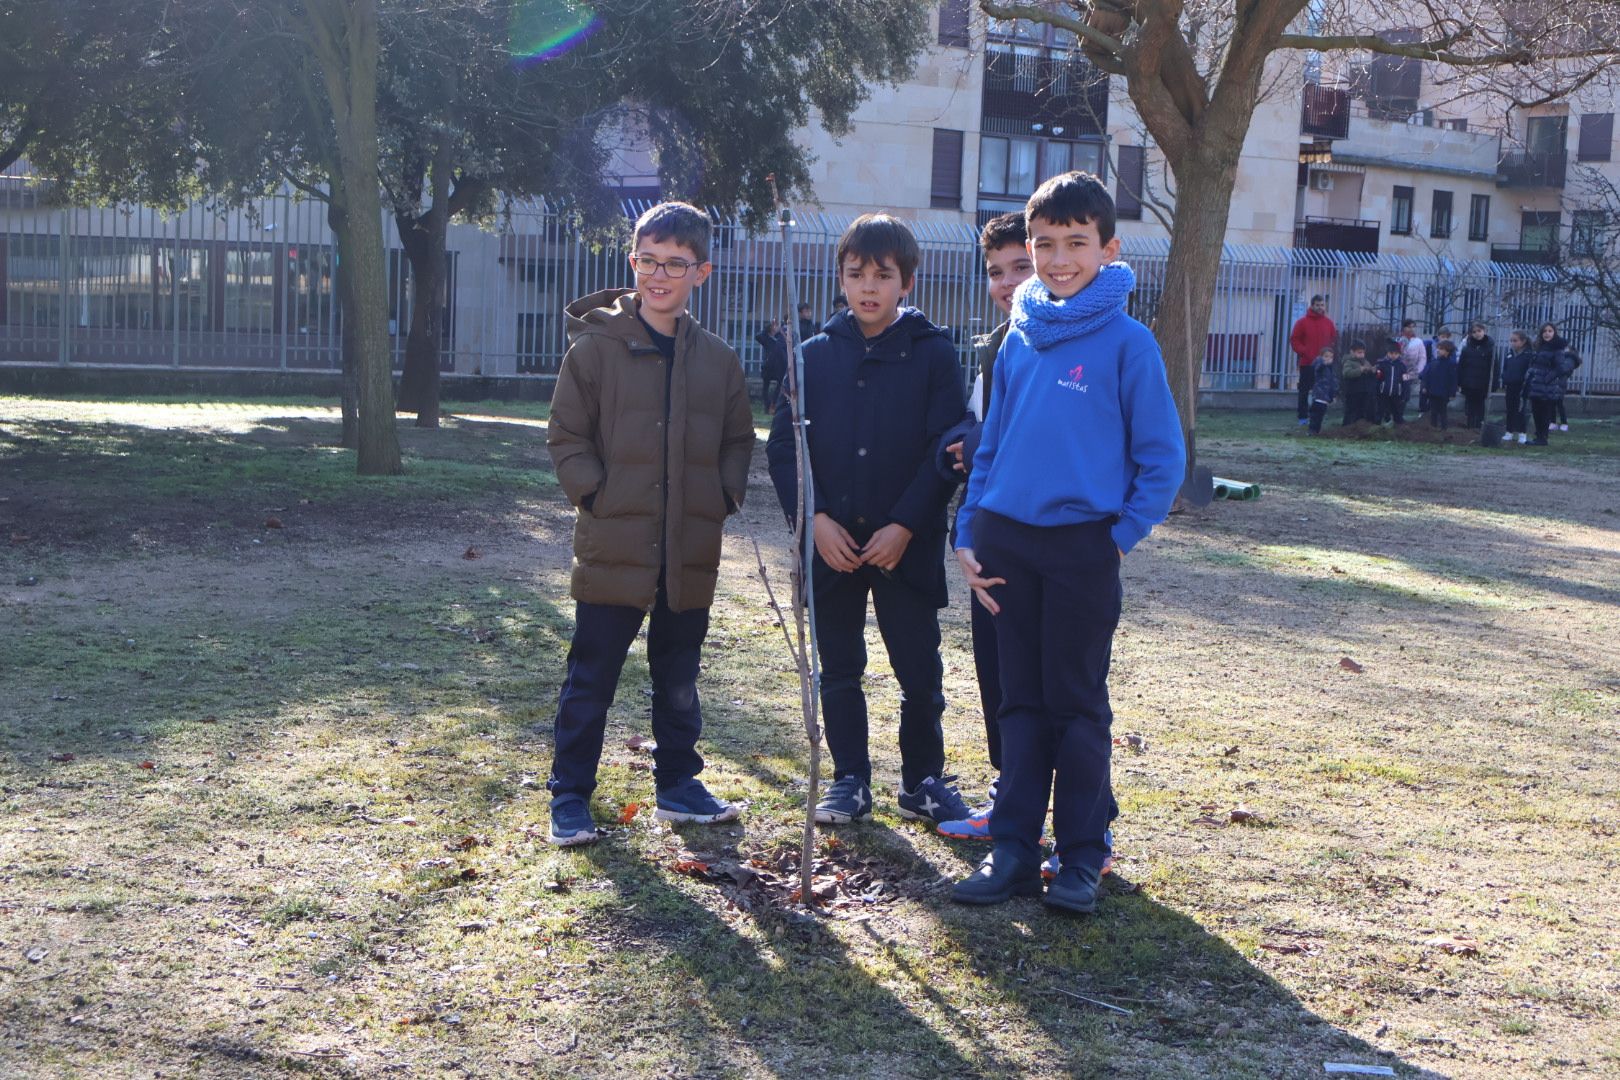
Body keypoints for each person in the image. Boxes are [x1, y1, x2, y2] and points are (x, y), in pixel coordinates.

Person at [951, 172, 1184, 915]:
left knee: (1076, 704)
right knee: (1018, 702)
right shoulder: (1018, 337)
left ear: (1109, 249)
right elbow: (990, 450)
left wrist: (1115, 540)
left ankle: (1081, 855)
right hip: (1005, 544)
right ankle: (1014, 850)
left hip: (1083, 548)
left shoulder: (1128, 343)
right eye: (1044, 244)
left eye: (1075, 243)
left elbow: (1162, 459)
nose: (1057, 260)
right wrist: (968, 529)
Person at [543, 202, 756, 846]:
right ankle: (571, 795)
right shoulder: (596, 351)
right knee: (592, 676)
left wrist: (719, 497)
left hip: (688, 548)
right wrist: (597, 495)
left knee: (680, 675)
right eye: (649, 261)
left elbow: (738, 440)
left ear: (702, 272)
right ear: (633, 262)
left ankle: (679, 785)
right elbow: (566, 437)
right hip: (615, 543)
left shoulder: (717, 360)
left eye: (676, 264)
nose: (660, 275)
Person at [766, 213, 974, 829]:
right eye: (856, 274)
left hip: (902, 547)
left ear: (906, 281)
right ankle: (849, 779)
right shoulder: (809, 356)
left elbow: (946, 446)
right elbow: (785, 449)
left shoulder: (934, 354)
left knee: (919, 670)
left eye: (883, 276)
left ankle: (922, 780)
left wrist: (906, 524)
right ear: (841, 277)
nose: (868, 288)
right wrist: (816, 520)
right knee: (841, 669)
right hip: (831, 548)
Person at [930, 212, 1035, 843]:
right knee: (996, 673)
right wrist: (962, 440)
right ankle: (1008, 793)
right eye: (996, 271)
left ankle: (1084, 818)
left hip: (1048, 539)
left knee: (1056, 683)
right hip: (988, 533)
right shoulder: (993, 347)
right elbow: (970, 427)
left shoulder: (1072, 341)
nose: (1008, 282)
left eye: (1020, 266)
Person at [1289, 295, 1336, 426]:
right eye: (1317, 305)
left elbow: (1333, 340)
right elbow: (1294, 340)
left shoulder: (1329, 323)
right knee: (1304, 390)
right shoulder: (1302, 322)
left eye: (1322, 305)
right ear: (1312, 305)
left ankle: (1318, 415)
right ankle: (1303, 417)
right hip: (1308, 363)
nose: (1320, 307)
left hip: (1325, 364)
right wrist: (1305, 352)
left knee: (1322, 391)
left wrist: (1329, 357)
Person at [1525, 336, 1577, 446]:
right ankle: (1541, 434)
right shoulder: (1542, 350)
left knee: (1553, 407)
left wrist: (1548, 378)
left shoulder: (1563, 355)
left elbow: (1562, 369)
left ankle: (1549, 432)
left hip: (1552, 386)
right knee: (1540, 411)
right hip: (1541, 384)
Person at [1456, 323, 1496, 430]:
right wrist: (1459, 382)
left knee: (1480, 404)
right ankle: (1470, 425)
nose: (1477, 334)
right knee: (1469, 404)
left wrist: (1493, 385)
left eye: (1479, 331)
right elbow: (1461, 366)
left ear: (1484, 331)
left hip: (1482, 383)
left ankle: (1479, 425)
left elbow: (1494, 368)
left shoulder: (1490, 348)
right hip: (1468, 382)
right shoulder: (1467, 348)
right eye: (1474, 332)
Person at [1499, 331, 1533, 445]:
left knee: (1520, 410)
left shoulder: (1528, 355)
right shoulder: (1509, 354)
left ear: (1523, 341)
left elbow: (1530, 371)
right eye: (1511, 341)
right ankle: (1509, 431)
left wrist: (1525, 382)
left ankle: (1522, 433)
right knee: (1510, 409)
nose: (1513, 343)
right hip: (1510, 385)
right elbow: (1506, 368)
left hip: (1522, 387)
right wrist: (1505, 378)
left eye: (1515, 340)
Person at [1538, 323, 1573, 431]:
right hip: (1546, 379)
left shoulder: (1560, 346)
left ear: (1554, 332)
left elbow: (1563, 365)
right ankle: (1552, 421)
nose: (1547, 333)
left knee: (1559, 401)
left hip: (1558, 379)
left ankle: (1564, 422)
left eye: (1549, 331)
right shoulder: (1541, 346)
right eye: (1544, 331)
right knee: (1550, 402)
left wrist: (1552, 376)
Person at [1422, 339, 1459, 429]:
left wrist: (1452, 393)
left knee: (1443, 411)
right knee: (1433, 411)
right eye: (1438, 348)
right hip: (1433, 391)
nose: (1438, 350)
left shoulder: (1451, 364)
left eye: (1441, 349)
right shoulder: (1433, 363)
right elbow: (1427, 376)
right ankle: (1433, 428)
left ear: (1447, 351)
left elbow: (1453, 380)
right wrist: (1425, 386)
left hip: (1444, 393)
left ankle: (1443, 429)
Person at [1339, 341, 1376, 426]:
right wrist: (1360, 370)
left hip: (1364, 391)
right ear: (1352, 352)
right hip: (1352, 392)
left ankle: (1360, 427)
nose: (1362, 354)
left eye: (1363, 352)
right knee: (1351, 410)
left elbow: (1369, 369)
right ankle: (1347, 428)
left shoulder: (1365, 361)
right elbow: (1346, 373)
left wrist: (1372, 370)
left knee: (1362, 410)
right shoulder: (1348, 362)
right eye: (1359, 352)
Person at [755, 319, 788, 412]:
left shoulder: (781, 337)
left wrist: (781, 332)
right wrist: (767, 329)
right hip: (768, 366)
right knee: (765, 386)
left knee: (780, 386)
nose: (776, 327)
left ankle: (773, 405)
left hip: (780, 367)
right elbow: (757, 336)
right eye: (775, 326)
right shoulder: (766, 338)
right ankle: (767, 406)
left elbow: (787, 346)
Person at [1375, 339, 1406, 425]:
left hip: (1396, 393)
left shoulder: (1402, 365)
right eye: (1391, 353)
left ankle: (1400, 427)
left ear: (1399, 354)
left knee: (1397, 411)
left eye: (1396, 354)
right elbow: (1378, 378)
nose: (1393, 356)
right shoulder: (1382, 364)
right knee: (1380, 410)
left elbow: (1404, 380)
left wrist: (1404, 392)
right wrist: (1378, 389)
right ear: (1387, 353)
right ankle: (1377, 425)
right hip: (1383, 392)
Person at [1307, 346, 1338, 435]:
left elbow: (1333, 383)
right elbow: (1317, 368)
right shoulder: (1319, 364)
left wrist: (1333, 395)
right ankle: (1312, 430)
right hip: (1319, 394)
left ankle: (1317, 430)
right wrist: (1323, 363)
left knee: (1321, 415)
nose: (1328, 359)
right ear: (1321, 356)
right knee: (1315, 414)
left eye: (1331, 357)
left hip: (1326, 396)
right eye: (1326, 356)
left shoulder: (1331, 369)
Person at [1399, 320, 1427, 418]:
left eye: (1413, 327)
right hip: (1398, 372)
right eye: (1409, 327)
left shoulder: (1418, 342)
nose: (1411, 329)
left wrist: (1417, 371)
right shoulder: (1399, 340)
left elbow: (1422, 357)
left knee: (1405, 393)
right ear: (1404, 328)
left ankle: (1401, 414)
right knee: (1396, 393)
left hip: (1410, 373)